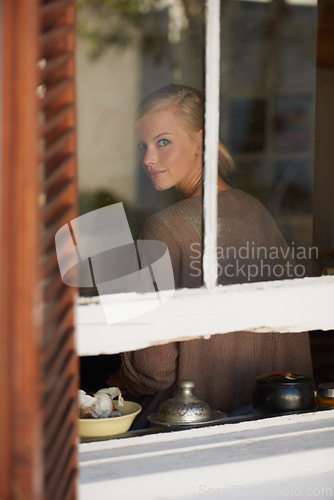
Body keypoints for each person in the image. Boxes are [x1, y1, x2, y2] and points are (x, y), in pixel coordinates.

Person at [108, 84, 313, 427]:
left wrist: (120, 381)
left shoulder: (164, 228)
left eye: (163, 142)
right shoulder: (257, 212)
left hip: (188, 427)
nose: (147, 158)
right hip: (270, 421)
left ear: (200, 141)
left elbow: (152, 370)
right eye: (142, 145)